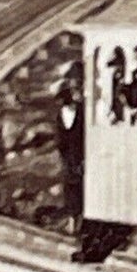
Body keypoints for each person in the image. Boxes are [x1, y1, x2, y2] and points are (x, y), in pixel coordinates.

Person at [55, 79, 85, 235]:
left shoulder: (81, 111)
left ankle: (78, 220)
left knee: (80, 187)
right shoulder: (62, 114)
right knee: (71, 186)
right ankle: (73, 220)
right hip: (69, 155)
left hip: (80, 154)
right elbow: (61, 137)